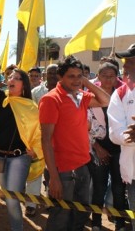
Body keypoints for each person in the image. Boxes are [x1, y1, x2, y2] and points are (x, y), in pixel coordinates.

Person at [0, 36, 42, 231]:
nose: (11, 79)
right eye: (11, 77)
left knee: (11, 199)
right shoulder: (1, 98)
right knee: (8, 196)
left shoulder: (31, 107)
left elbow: (39, 132)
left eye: (17, 78)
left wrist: (35, 150)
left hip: (19, 159)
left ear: (24, 86)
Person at [39, 55, 110, 231]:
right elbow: (46, 140)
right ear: (60, 77)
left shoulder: (81, 96)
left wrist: (84, 81)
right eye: (71, 76)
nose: (76, 80)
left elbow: (106, 100)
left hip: (82, 166)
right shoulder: (51, 99)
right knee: (61, 217)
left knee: (81, 213)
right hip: (62, 170)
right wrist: (54, 177)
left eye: (80, 76)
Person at [88, 62, 125, 231]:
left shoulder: (123, 96)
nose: (108, 79)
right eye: (104, 75)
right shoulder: (88, 97)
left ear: (117, 76)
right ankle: (96, 222)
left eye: (112, 75)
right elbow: (83, 126)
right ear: (98, 76)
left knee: (118, 188)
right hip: (98, 149)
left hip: (120, 149)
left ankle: (119, 222)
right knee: (99, 187)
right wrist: (96, 147)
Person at [25, 64, 58, 217]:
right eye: (50, 73)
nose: (53, 76)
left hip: (58, 140)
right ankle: (31, 204)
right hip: (38, 139)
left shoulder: (65, 92)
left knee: (53, 172)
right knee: (35, 173)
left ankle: (52, 201)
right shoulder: (35, 92)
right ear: (45, 75)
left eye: (56, 73)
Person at [108, 43, 135, 231]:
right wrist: (131, 136)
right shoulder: (120, 94)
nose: (124, 66)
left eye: (130, 62)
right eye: (125, 62)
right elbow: (115, 132)